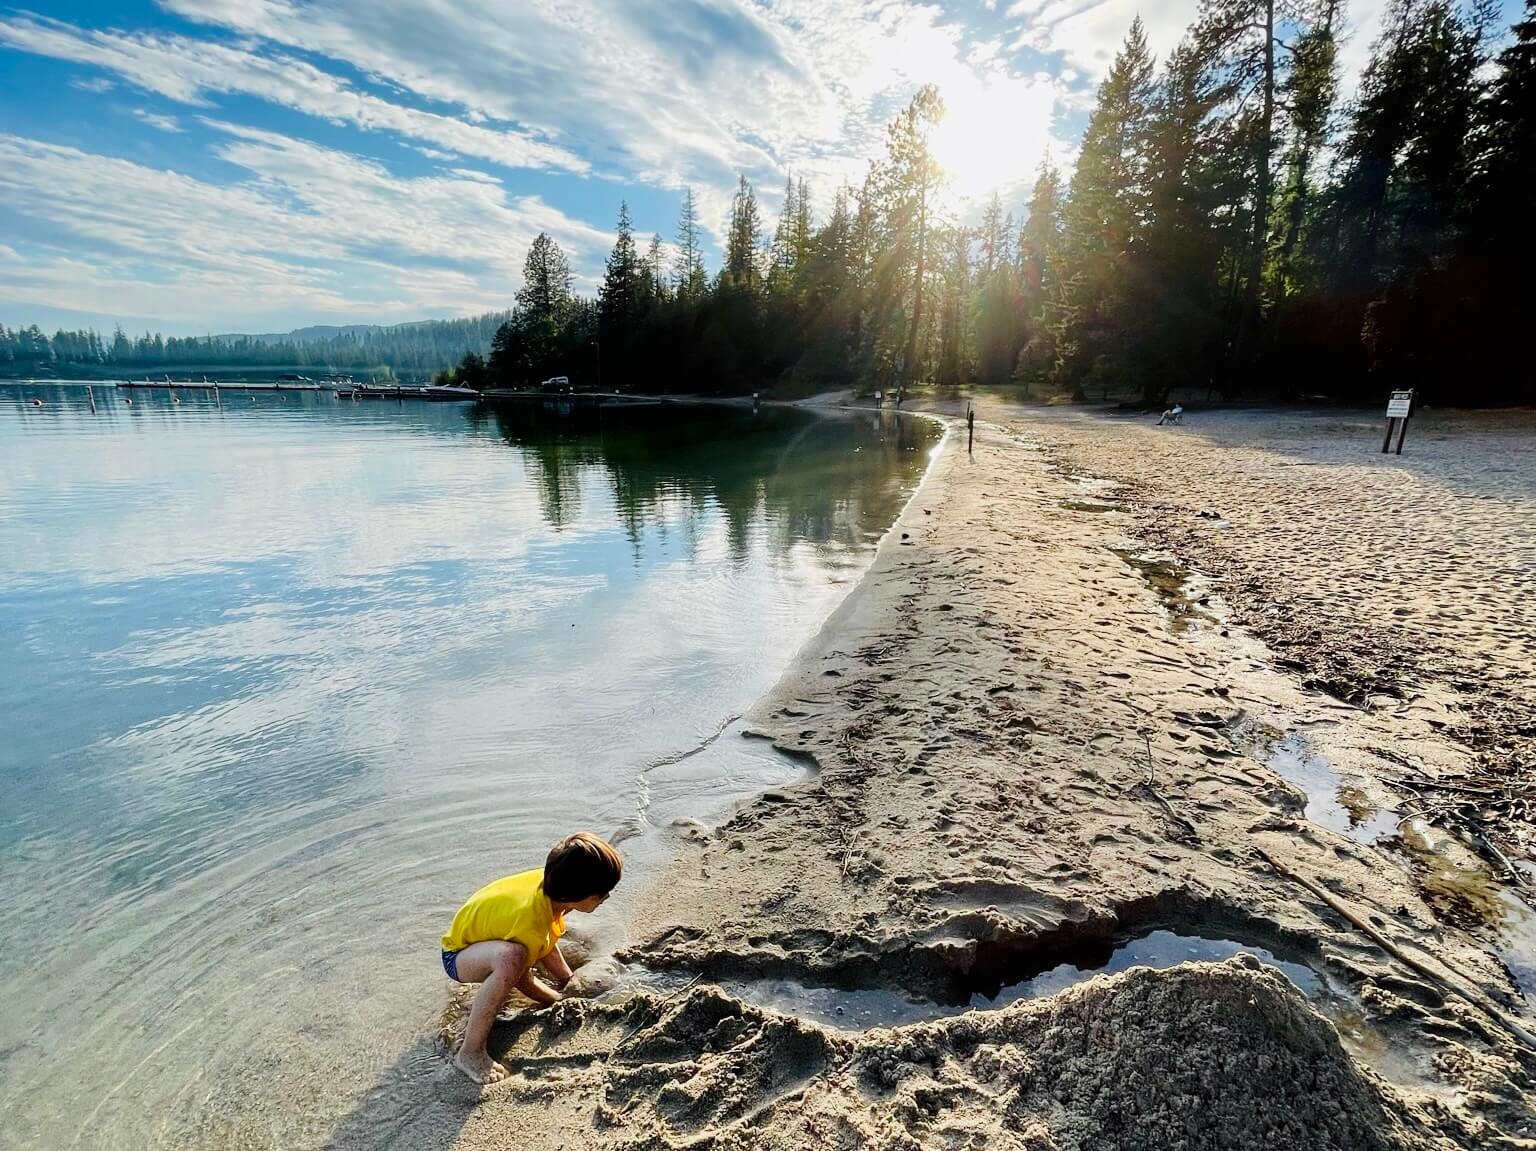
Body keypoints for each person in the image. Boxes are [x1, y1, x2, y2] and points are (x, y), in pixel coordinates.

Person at [439, 831, 623, 1084]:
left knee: (518, 953)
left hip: (483, 942)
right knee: (512, 959)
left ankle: (502, 981)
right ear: (575, 894)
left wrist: (568, 980)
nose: (606, 897)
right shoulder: (530, 921)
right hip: (457, 956)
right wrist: (556, 1000)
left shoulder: (553, 888)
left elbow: (546, 942)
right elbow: (522, 979)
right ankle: (470, 1053)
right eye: (601, 893)